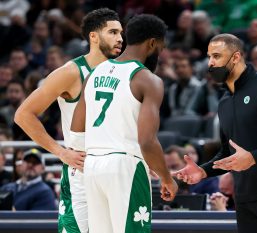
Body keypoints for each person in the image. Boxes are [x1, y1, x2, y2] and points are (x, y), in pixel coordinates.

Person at [174, 33, 257, 233]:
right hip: (245, 199)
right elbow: (228, 153)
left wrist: (254, 157)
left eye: (217, 56)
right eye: (209, 56)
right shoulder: (225, 102)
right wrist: (203, 171)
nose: (211, 63)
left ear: (236, 57)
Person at [14, 8, 123, 233]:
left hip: (114, 168)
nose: (120, 38)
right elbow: (23, 114)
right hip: (81, 168)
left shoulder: (123, 72)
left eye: (121, 33)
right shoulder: (71, 72)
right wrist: (61, 152)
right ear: (94, 36)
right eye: (113, 32)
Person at [70, 14, 178, 233]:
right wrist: (167, 178)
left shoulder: (94, 73)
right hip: (125, 165)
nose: (160, 52)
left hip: (92, 166)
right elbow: (147, 141)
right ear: (152, 43)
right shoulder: (147, 79)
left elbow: (77, 129)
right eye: (161, 47)